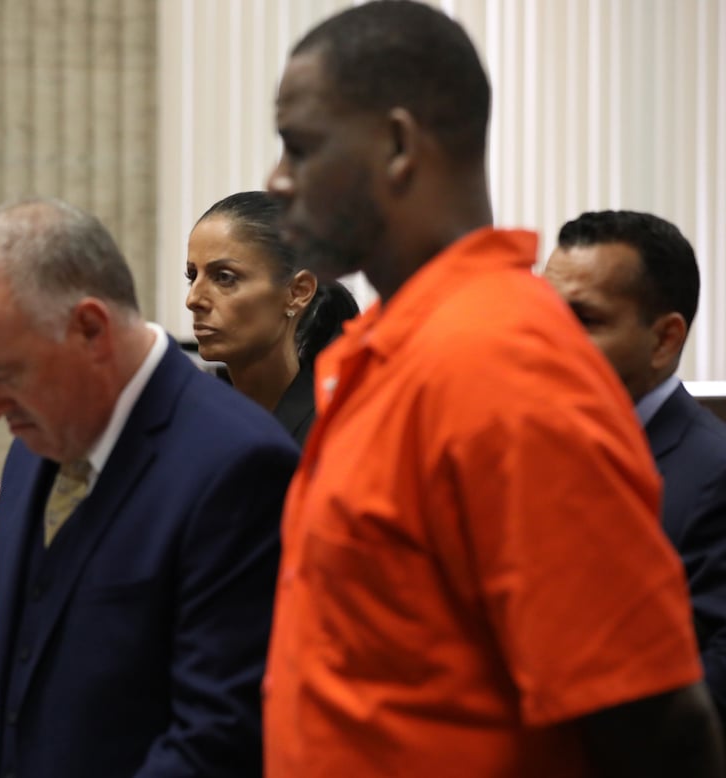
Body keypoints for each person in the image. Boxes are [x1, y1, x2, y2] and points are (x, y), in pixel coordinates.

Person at [262, 2, 723, 776]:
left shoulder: (503, 367)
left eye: (300, 146)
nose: (277, 179)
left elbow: (655, 730)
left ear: (399, 146)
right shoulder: (389, 350)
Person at [0, 198, 300, 777]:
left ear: (90, 329)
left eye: (3, 374)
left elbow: (215, 739)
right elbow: (2, 683)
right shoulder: (36, 448)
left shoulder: (238, 464)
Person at [544, 209, 726, 724]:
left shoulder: (714, 473)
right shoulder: (542, 452)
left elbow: (711, 694)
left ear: (665, 340)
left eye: (585, 320)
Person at [185, 190, 359, 444]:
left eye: (224, 277)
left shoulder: (334, 429)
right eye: (192, 276)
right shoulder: (197, 425)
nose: (193, 300)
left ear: (298, 292)